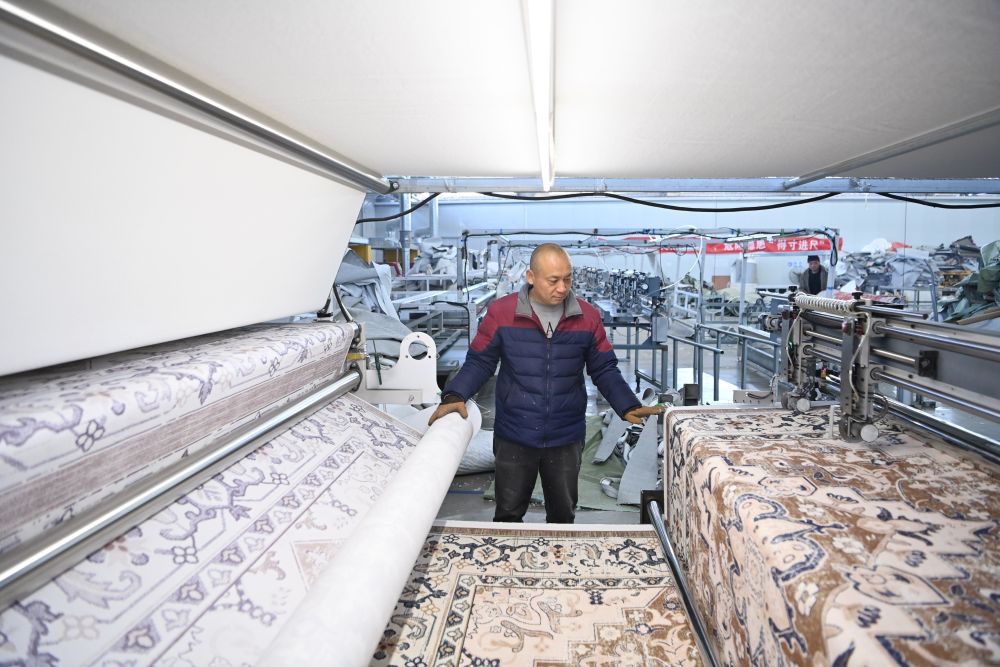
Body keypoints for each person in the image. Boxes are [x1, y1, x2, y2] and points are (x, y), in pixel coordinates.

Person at [427, 243, 663, 523]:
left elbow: (603, 368)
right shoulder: (502, 313)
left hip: (565, 434)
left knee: (563, 514)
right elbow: (480, 361)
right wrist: (455, 395)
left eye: (567, 279)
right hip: (515, 432)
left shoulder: (586, 316)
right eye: (553, 280)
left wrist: (626, 405)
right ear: (531, 277)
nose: (562, 288)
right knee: (508, 513)